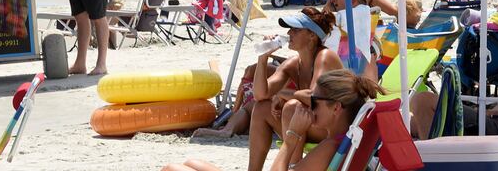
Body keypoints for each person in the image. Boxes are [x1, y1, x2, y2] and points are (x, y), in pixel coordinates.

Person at [165, 69, 385, 171]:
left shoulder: (331, 146)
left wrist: (292, 137)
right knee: (190, 164)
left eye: (314, 100)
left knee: (172, 169)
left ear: (336, 107)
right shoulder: (345, 141)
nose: (308, 104)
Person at [248, 7, 342, 171]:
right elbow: (260, 94)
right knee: (261, 108)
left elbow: (314, 97)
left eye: (296, 30)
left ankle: (293, 166)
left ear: (312, 36)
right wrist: (263, 58)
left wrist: (283, 94)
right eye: (290, 29)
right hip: (313, 124)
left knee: (292, 106)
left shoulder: (325, 56)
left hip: (332, 128)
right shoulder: (293, 63)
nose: (289, 33)